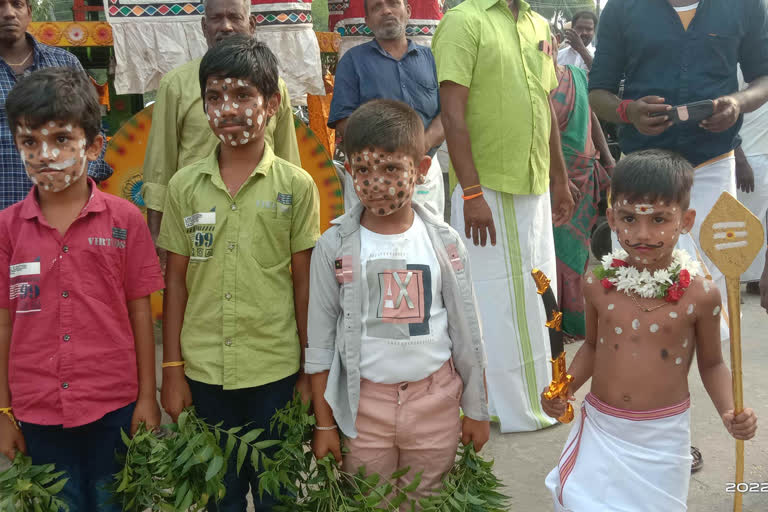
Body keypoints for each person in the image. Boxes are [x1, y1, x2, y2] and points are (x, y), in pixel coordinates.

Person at [542, 150, 758, 511]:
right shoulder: (598, 283)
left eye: (659, 219)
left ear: (686, 221)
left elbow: (711, 364)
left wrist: (728, 410)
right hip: (603, 429)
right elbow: (594, 348)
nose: (643, 233)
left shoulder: (701, 295)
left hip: (663, 437)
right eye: (629, 218)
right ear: (611, 218)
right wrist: (564, 387)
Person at [157, 35, 320, 512]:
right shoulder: (185, 187)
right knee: (217, 499)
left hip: (275, 371)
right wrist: (172, 370)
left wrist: (310, 371)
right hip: (204, 374)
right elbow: (175, 282)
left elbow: (304, 282)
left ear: (271, 104)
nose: (228, 108)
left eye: (243, 95)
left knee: (278, 499)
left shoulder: (297, 186)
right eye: (214, 96)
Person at [307, 99, 490, 506]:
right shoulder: (332, 246)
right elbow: (319, 343)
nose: (376, 181)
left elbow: (468, 333)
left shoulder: (444, 243)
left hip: (435, 404)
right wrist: (324, 423)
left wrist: (476, 408)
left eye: (391, 168)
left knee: (427, 499)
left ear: (422, 170)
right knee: (368, 500)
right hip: (362, 408)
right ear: (350, 170)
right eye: (364, 170)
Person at [0, 68, 164, 511]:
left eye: (60, 139)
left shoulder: (124, 220)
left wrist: (148, 396)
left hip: (112, 404)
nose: (45, 154)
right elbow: (4, 320)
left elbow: (140, 312)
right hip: (36, 409)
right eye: (29, 141)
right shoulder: (7, 229)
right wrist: (2, 412)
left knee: (113, 501)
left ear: (93, 145)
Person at [588, 0, 768, 344]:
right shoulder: (623, 8)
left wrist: (738, 103)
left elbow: (764, 78)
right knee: (639, 277)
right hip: (643, 166)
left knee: (713, 276)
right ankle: (643, 374)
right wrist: (628, 111)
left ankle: (710, 373)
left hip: (713, 162)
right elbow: (598, 91)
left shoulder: (745, 5)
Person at [432, 0, 575, 433]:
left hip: (532, 185)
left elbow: (545, 106)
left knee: (538, 292)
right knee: (490, 301)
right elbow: (453, 113)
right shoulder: (463, 22)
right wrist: (472, 191)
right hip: (486, 188)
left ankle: (543, 396)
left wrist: (560, 179)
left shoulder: (536, 23)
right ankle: (493, 404)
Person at [143, 0, 301, 269]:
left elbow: (289, 159)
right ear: (204, 27)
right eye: (216, 19)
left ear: (251, 25)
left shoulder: (274, 87)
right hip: (196, 220)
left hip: (262, 216)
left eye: (235, 18)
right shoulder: (176, 84)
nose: (226, 26)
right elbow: (160, 163)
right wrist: (157, 233)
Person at [328, 0, 445, 216]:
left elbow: (445, 114)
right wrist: (388, 161)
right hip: (372, 176)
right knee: (369, 243)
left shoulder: (432, 59)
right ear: (368, 21)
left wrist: (418, 151)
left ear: (407, 11)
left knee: (428, 242)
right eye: (377, 7)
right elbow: (344, 121)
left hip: (424, 171)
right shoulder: (352, 61)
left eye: (393, 3)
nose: (387, 10)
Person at [0, 0, 112, 210]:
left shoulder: (64, 63)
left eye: (17, 4)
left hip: (63, 212)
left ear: (29, 12)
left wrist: (83, 184)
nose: (9, 14)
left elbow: (94, 130)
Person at [550, 43, 615, 341]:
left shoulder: (577, 75)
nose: (544, 50)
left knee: (578, 251)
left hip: (585, 175)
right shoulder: (533, 84)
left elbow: (592, 118)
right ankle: (557, 320)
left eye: (549, 44)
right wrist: (557, 176)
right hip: (555, 181)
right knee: (555, 251)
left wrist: (609, 158)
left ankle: (577, 321)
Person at [735, 70, 768, 295]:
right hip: (749, 155)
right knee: (745, 223)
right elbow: (724, 107)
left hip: (762, 152)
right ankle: (734, 281)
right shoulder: (741, 65)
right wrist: (739, 157)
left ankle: (757, 278)